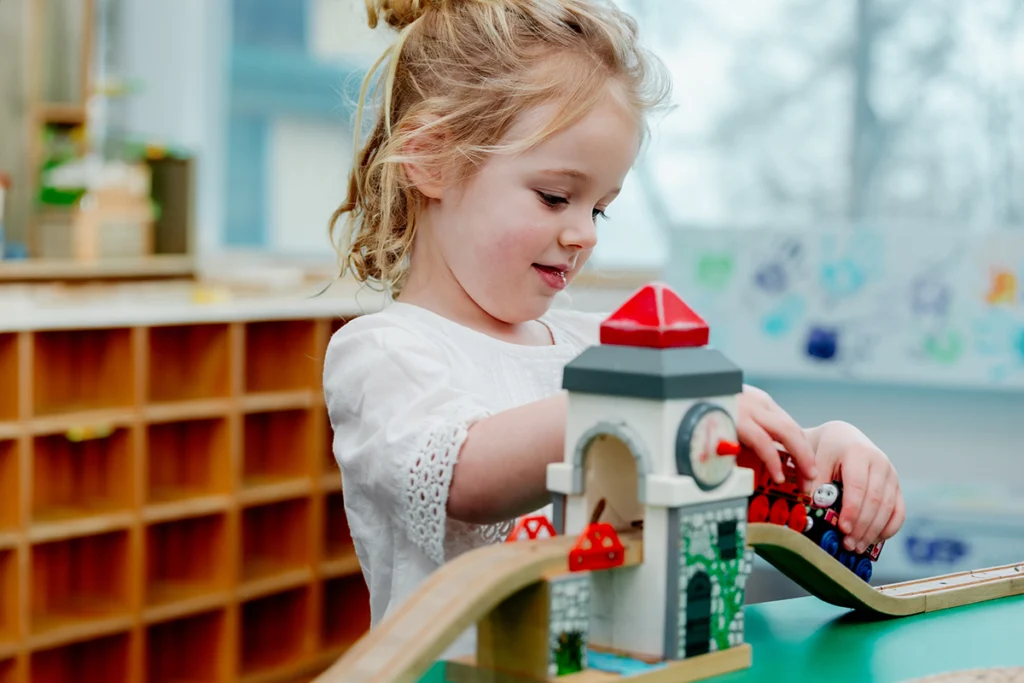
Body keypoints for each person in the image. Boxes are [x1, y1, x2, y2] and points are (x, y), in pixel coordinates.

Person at [323, 0, 905, 657]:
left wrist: (823, 446)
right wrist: (644, 406)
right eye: (554, 196)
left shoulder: (600, 343)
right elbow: (465, 476)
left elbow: (716, 448)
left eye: (600, 207)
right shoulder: (382, 353)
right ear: (429, 158)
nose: (582, 234)